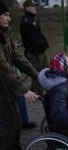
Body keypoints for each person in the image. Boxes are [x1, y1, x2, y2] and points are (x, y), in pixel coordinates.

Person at [0, 1, 39, 150]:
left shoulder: (4, 33)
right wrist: (25, 90)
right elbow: (3, 68)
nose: (9, 19)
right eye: (5, 15)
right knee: (12, 127)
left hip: (7, 88)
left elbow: (17, 57)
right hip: (2, 90)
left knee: (13, 126)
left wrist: (37, 75)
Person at [20, 0, 49, 95]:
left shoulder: (31, 19)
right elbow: (33, 39)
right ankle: (37, 92)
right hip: (35, 52)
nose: (35, 7)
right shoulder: (26, 21)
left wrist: (44, 44)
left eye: (35, 6)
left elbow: (38, 34)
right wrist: (43, 43)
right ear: (27, 8)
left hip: (40, 50)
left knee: (44, 70)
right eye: (33, 6)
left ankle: (36, 90)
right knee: (37, 73)